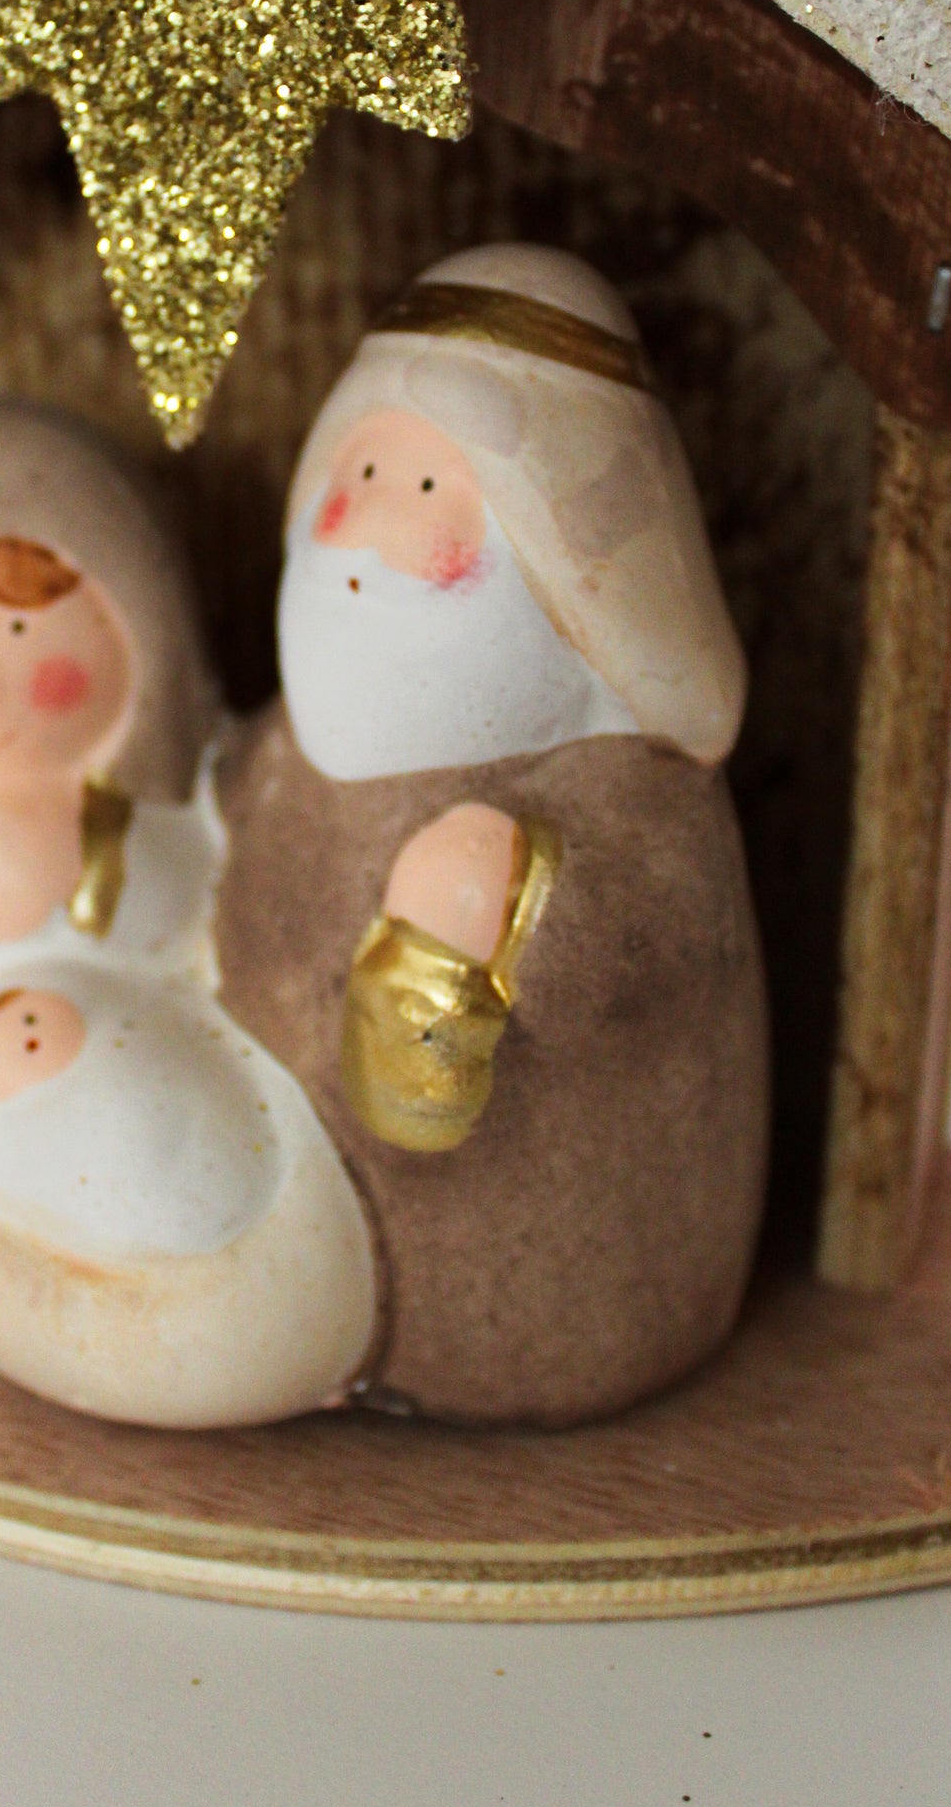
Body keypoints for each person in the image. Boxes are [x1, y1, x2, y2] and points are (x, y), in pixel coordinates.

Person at [215, 245, 769, 1425]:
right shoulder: (290, 741)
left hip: (532, 1297)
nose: (367, 529)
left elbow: (643, 952)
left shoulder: (623, 797)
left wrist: (507, 914)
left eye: (427, 489)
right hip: (283, 1203)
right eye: (362, 471)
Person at [0, 397, 376, 1428]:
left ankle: (163, 1294)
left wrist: (70, 858)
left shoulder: (160, 813)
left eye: (17, 628)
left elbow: (182, 902)